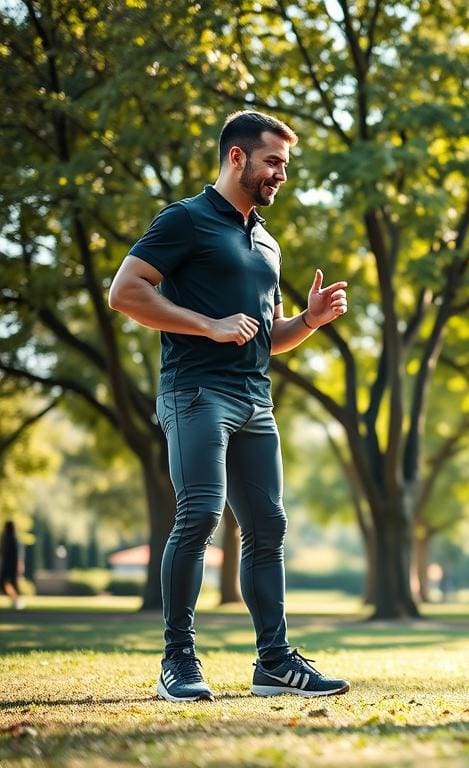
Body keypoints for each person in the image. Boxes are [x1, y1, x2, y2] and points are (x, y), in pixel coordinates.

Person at [109, 110, 351, 703]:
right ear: (236, 157)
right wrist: (206, 325)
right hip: (195, 392)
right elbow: (125, 292)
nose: (280, 175)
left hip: (254, 401)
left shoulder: (266, 240)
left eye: (286, 166)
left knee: (268, 527)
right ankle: (178, 660)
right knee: (198, 517)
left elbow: (265, 334)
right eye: (272, 162)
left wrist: (309, 322)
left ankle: (274, 662)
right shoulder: (185, 220)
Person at [1, 521, 25, 610]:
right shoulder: (5, 539)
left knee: (9, 583)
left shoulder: (13, 539)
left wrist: (19, 564)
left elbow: (18, 554)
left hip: (11, 566)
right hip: (8, 565)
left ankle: (16, 600)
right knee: (6, 584)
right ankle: (16, 600)